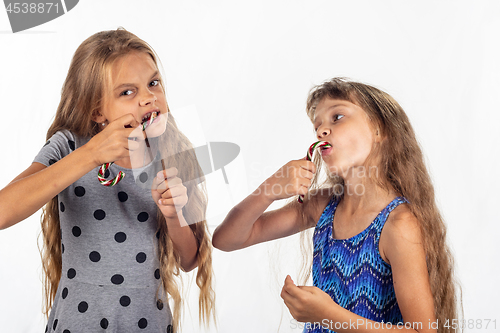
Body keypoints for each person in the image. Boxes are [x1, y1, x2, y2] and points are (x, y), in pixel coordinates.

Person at [0, 28, 214, 332]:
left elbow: (189, 260)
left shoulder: (170, 150)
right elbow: (3, 210)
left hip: (148, 324)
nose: (149, 98)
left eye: (153, 83)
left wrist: (173, 214)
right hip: (78, 323)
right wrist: (90, 155)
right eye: (128, 92)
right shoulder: (69, 146)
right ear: (97, 110)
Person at [212, 78, 460, 333]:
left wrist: (327, 315)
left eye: (337, 117)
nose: (321, 131)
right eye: (317, 126)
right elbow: (227, 239)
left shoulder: (398, 224)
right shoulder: (323, 206)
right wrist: (269, 189)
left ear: (379, 129)